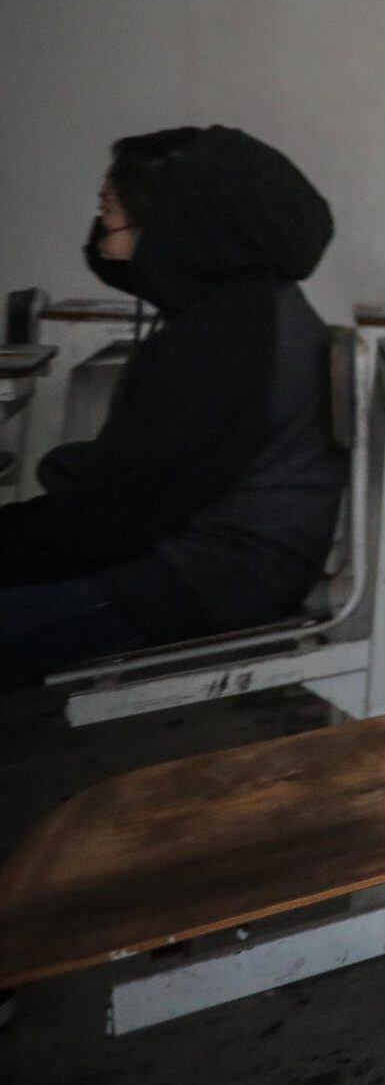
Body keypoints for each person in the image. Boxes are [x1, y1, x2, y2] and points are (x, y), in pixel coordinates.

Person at [0, 127, 344, 685]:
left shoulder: (220, 340)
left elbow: (112, 520)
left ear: (178, 227)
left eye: (107, 211)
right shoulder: (248, 308)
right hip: (211, 566)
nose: (100, 231)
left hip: (197, 584)